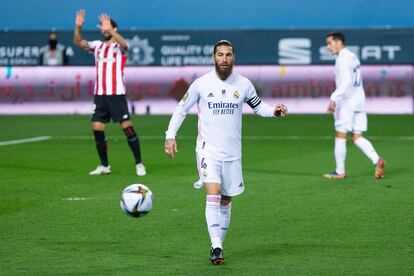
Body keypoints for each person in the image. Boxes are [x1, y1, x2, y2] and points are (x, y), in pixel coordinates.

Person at [164, 40, 288, 265]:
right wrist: (170, 135)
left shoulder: (244, 84)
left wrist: (275, 111)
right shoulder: (201, 84)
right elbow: (181, 109)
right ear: (213, 57)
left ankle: (218, 242)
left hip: (233, 153)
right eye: (220, 54)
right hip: (207, 150)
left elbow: (259, 107)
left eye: (228, 55)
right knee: (213, 192)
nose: (224, 59)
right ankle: (216, 246)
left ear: (233, 57)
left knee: (226, 198)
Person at [73, 10, 146, 176]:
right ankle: (104, 165)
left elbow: (126, 45)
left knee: (127, 128)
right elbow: (77, 41)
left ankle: (139, 163)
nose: (103, 30)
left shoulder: (119, 47)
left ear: (114, 29)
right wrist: (77, 26)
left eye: (106, 28)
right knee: (97, 128)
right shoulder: (97, 46)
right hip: (100, 95)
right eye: (102, 28)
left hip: (116, 94)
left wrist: (111, 30)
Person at [323, 32, 385, 180]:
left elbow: (347, 81)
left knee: (340, 135)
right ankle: (377, 160)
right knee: (357, 137)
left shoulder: (342, 59)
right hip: (359, 101)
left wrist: (333, 97)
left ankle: (339, 171)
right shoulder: (352, 56)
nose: (328, 46)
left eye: (330, 43)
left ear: (339, 42)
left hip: (346, 102)